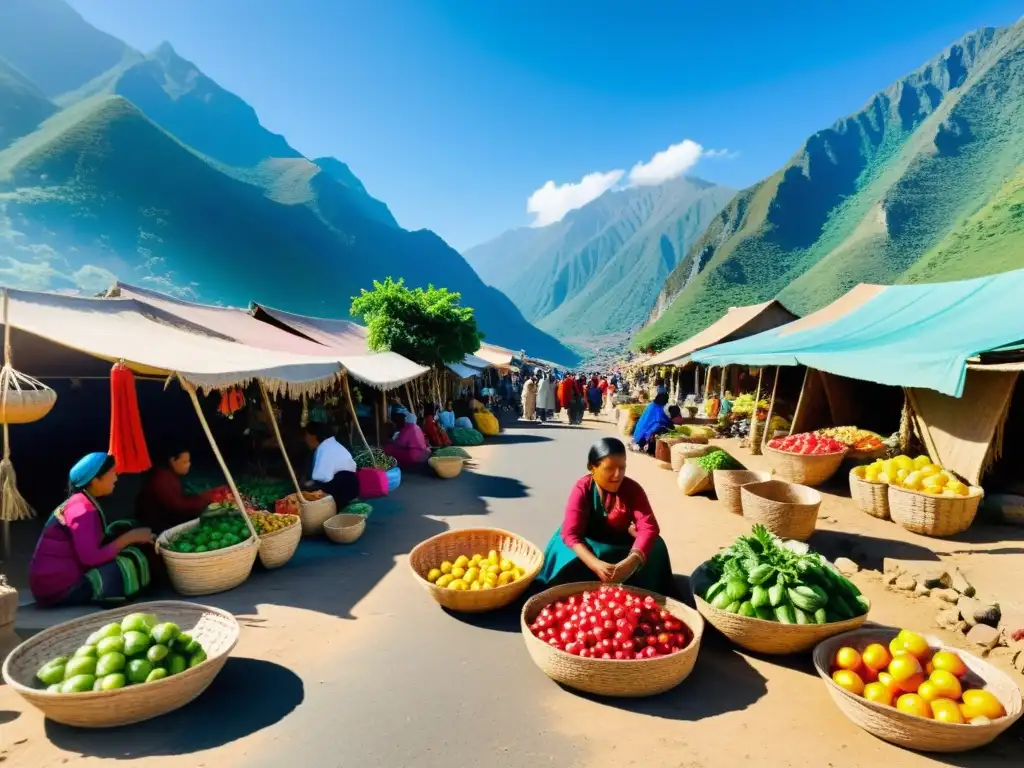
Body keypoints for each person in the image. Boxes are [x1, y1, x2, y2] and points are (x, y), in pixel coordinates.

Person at [537, 437, 676, 595]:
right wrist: (595, 564)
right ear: (592, 468)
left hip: (619, 543)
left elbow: (649, 527)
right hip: (587, 541)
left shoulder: (632, 489)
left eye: (622, 468)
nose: (617, 475)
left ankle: (645, 590)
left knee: (656, 544)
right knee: (564, 549)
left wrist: (632, 561)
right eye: (609, 468)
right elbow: (571, 533)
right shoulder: (583, 488)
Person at [29, 453, 155, 607]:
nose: (116, 478)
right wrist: (129, 538)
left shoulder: (82, 502)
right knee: (123, 567)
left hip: (51, 585)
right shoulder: (82, 510)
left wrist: (124, 535)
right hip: (57, 590)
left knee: (129, 548)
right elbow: (90, 558)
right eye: (112, 473)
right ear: (95, 480)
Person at [136, 444, 218, 534]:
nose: (188, 465)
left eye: (189, 461)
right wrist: (206, 498)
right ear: (173, 460)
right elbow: (180, 507)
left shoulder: (170, 474)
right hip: (155, 526)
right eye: (184, 462)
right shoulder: (162, 479)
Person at [302, 422, 360, 508]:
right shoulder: (331, 444)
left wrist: (306, 487)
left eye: (306, 435)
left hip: (343, 491)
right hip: (353, 486)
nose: (305, 439)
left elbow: (321, 477)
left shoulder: (324, 449)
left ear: (313, 436)